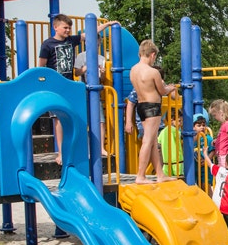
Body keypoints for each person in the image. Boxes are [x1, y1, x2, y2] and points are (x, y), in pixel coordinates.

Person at [37, 13, 114, 162]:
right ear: (55, 27)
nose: (68, 30)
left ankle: (75, 149)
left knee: (72, 116)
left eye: (69, 28)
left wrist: (107, 24)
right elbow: (41, 66)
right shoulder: (47, 44)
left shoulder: (71, 40)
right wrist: (43, 84)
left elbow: (90, 33)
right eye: (65, 28)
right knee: (58, 118)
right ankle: (61, 152)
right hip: (55, 85)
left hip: (69, 85)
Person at [129, 39, 178, 184]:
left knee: (153, 141)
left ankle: (160, 174)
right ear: (152, 55)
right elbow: (162, 91)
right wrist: (171, 88)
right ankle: (140, 175)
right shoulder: (153, 72)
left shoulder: (133, 70)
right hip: (152, 107)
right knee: (148, 141)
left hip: (141, 107)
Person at [209, 99, 228, 166]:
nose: (215, 118)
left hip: (225, 155)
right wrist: (217, 141)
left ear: (221, 113)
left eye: (215, 115)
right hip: (221, 154)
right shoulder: (224, 124)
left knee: (223, 171)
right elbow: (225, 138)